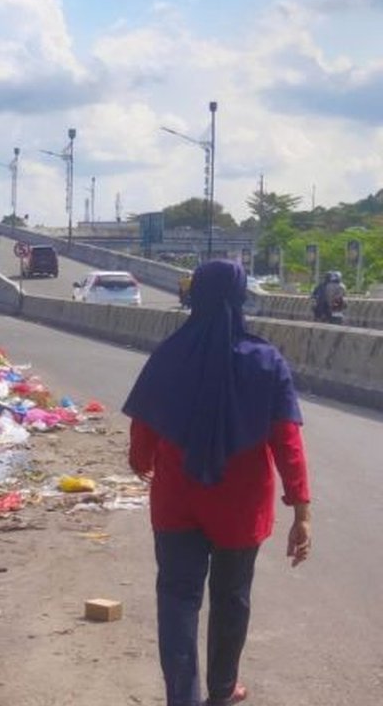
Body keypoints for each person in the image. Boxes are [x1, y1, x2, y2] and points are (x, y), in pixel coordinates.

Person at [123, 260, 311, 706]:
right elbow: (288, 442)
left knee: (177, 599)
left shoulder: (170, 353)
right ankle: (223, 690)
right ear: (241, 296)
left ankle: (182, 699)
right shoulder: (265, 361)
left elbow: (144, 427)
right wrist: (301, 512)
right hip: (241, 507)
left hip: (176, 500)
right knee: (231, 598)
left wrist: (141, 460)